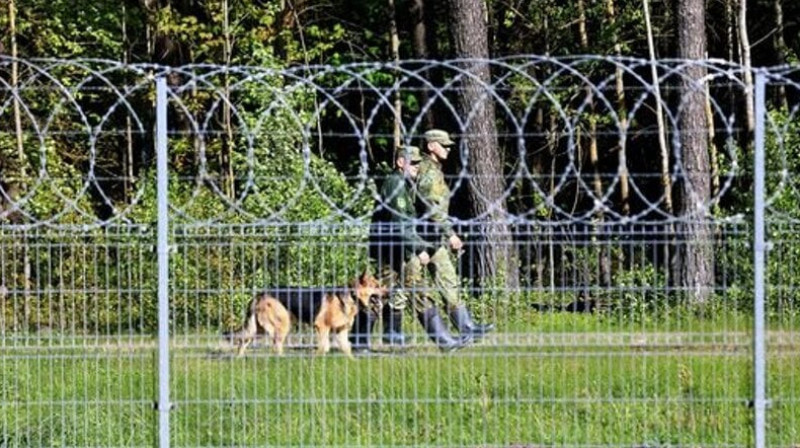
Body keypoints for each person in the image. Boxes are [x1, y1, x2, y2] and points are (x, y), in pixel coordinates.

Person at [352, 146, 470, 352]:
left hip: (397, 251)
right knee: (400, 293)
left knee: (388, 294)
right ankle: (443, 342)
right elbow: (400, 224)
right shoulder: (395, 184)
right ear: (400, 163)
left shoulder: (403, 184)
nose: (417, 167)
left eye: (417, 163)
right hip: (390, 251)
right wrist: (419, 249)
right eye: (413, 163)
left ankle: (360, 342)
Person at [414, 129, 494, 340]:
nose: (448, 148)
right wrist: (450, 234)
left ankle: (466, 327)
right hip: (421, 239)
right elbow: (432, 208)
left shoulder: (433, 170)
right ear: (431, 146)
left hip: (433, 238)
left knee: (449, 280)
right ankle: (377, 336)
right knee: (406, 290)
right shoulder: (428, 172)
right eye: (444, 145)